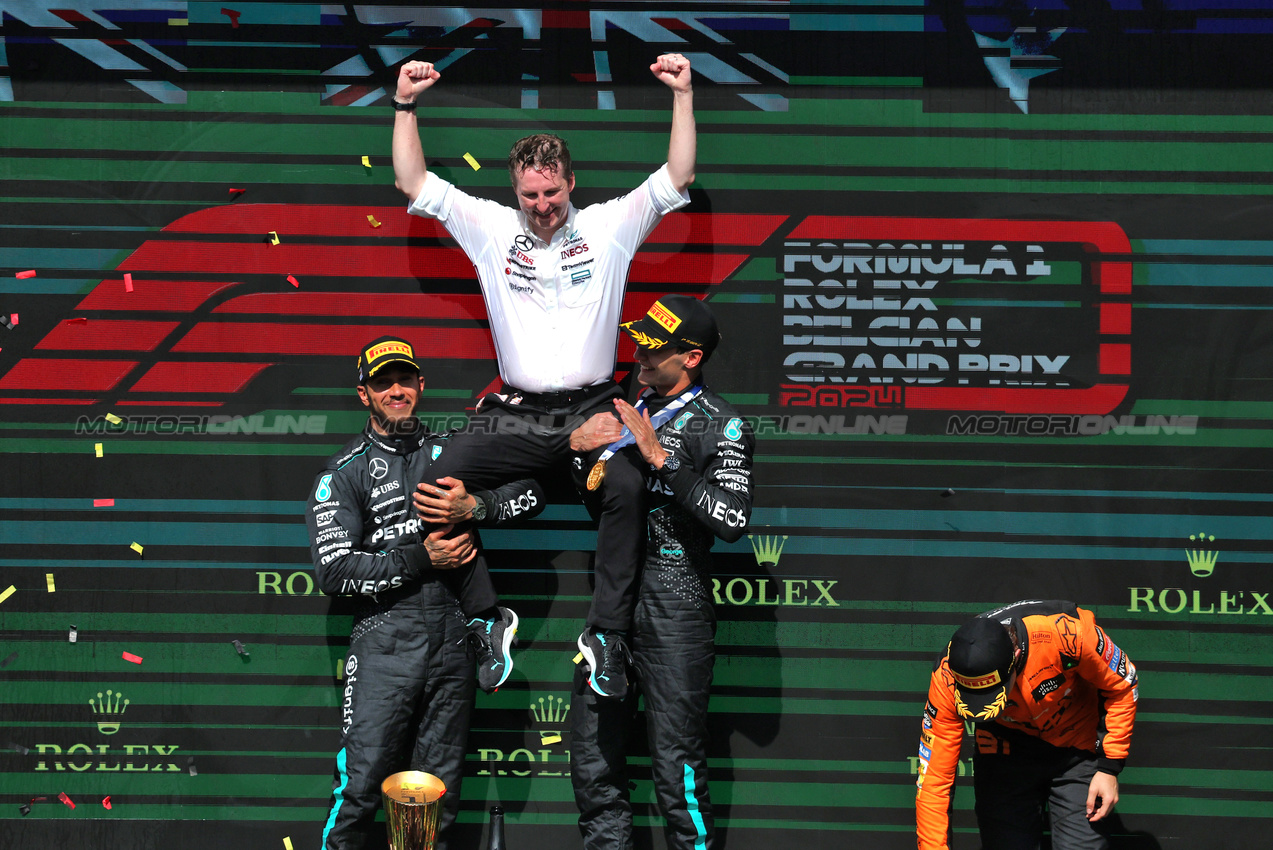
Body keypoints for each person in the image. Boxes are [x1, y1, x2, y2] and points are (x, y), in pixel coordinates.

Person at [391, 53, 696, 699]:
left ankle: (606, 635)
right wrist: (404, 104)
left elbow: (677, 175)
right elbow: (414, 182)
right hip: (516, 413)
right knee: (431, 479)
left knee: (626, 482)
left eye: (551, 193)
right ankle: (484, 616)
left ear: (569, 183)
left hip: (595, 405)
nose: (541, 206)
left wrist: (682, 93)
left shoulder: (610, 225)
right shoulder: (491, 229)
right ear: (514, 190)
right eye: (529, 195)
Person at [306, 335, 546, 850]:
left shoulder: (453, 450)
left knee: (436, 795)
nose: (395, 390)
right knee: (361, 786)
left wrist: (475, 507)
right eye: (382, 382)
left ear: (420, 385)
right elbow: (334, 570)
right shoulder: (343, 473)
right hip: (385, 639)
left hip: (455, 637)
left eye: (404, 379)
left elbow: (531, 492)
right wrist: (423, 558)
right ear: (363, 394)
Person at [566, 295, 754, 850]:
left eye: (654, 350)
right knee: (593, 764)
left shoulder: (721, 424)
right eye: (640, 345)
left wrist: (663, 460)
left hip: (677, 611)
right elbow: (594, 496)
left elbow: (735, 519)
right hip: (612, 610)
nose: (640, 359)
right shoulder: (626, 404)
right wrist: (577, 452)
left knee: (677, 772)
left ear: (691, 357)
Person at [915, 600, 1140, 850]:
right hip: (1004, 751)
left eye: (991, 694)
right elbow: (933, 781)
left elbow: (1123, 684)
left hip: (1076, 746)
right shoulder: (946, 677)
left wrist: (1109, 767)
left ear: (1016, 658)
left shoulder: (1067, 633)